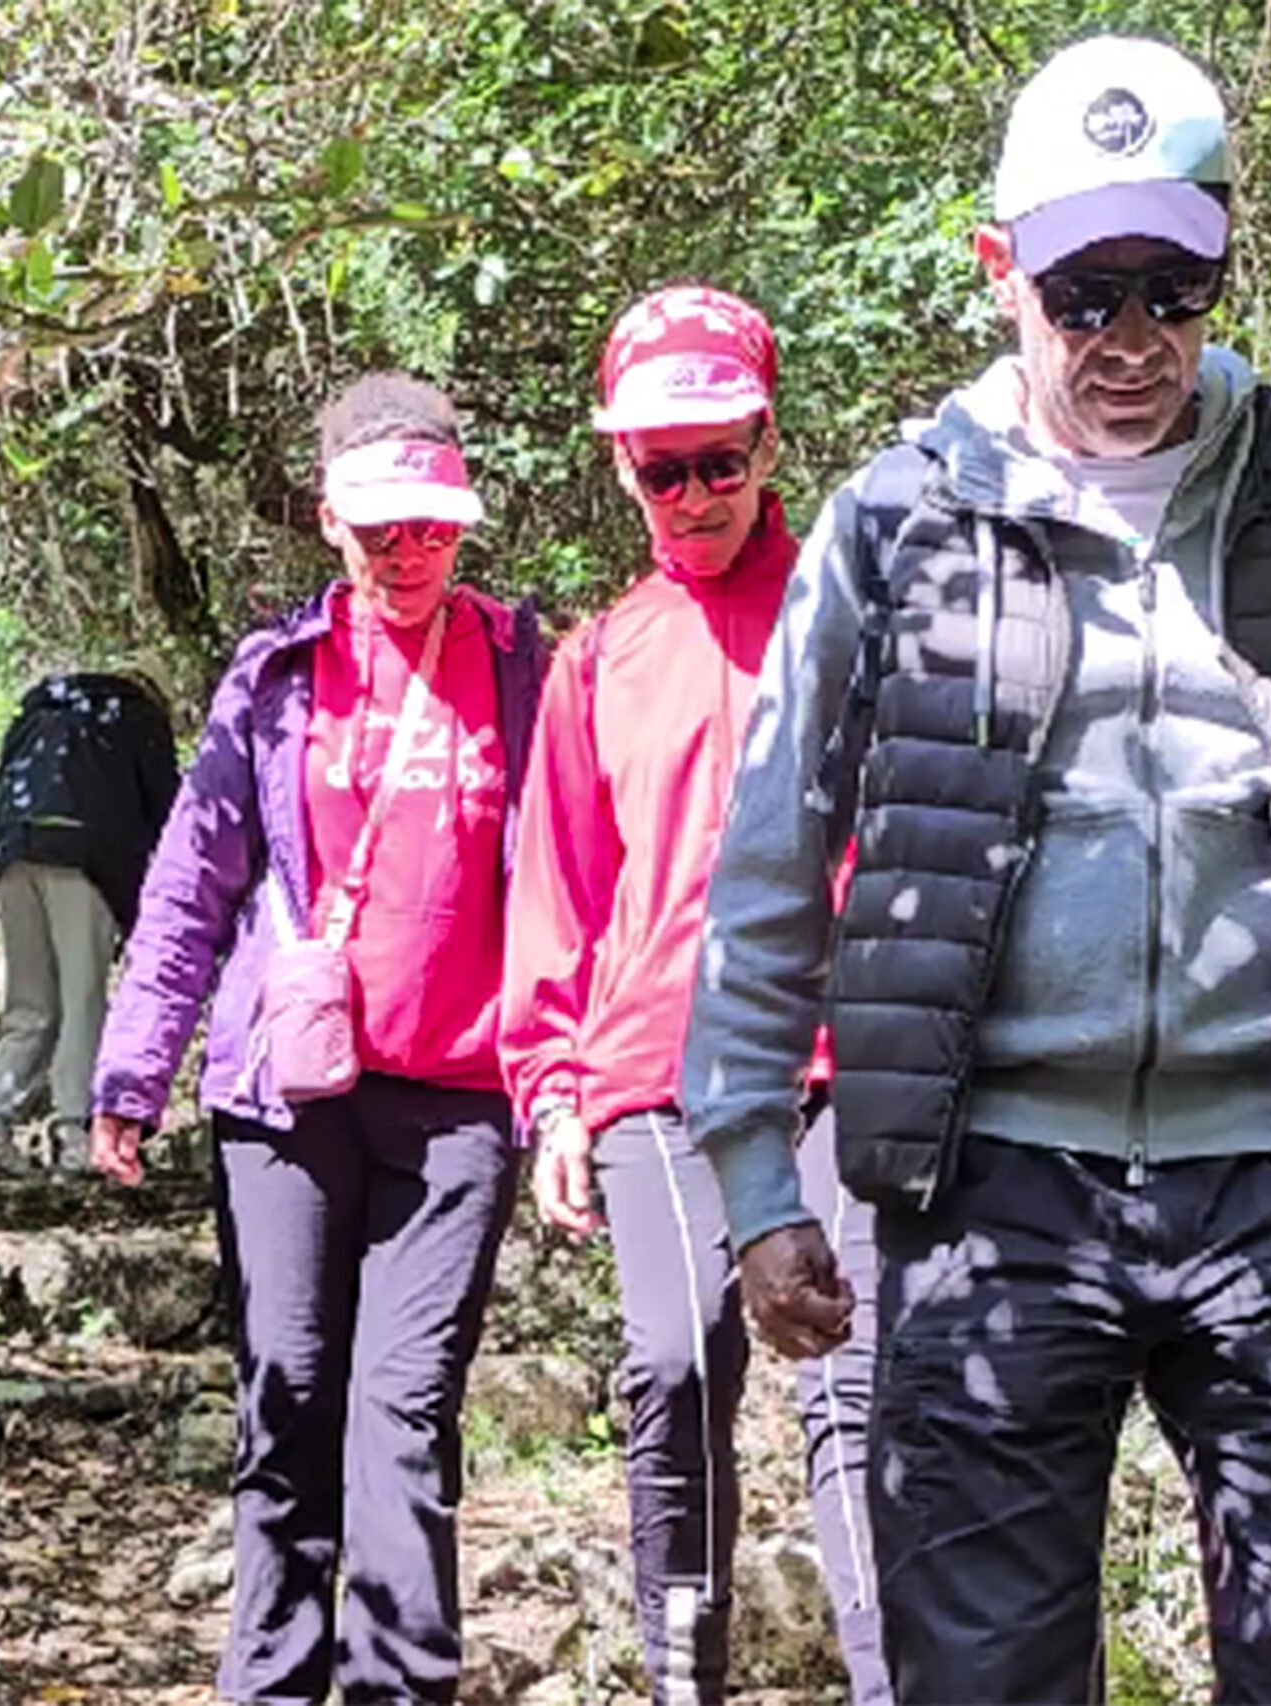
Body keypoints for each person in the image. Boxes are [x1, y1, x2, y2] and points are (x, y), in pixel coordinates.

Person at [682, 36, 1271, 1702]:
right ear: (1003, 275)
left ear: (1218, 258)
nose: (1132, 340)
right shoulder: (897, 524)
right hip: (996, 1187)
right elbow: (771, 865)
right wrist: (759, 1183)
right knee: (980, 1677)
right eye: (1084, 295)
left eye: (1173, 286)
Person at [88, 373, 549, 1702]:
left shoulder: (523, 664)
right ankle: (272, 1681)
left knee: (401, 1415)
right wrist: (134, 1068)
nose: (407, 554)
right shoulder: (277, 677)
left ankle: (401, 1684)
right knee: (286, 1391)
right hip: (286, 1097)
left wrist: (579, 1078)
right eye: (377, 530)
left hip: (459, 1100)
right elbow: (192, 879)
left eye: (431, 528)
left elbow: (576, 869)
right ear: (328, 522)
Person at [499, 286, 887, 1704]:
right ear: (622, 467)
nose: (695, 493)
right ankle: (683, 1680)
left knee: (850, 1381)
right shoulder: (600, 657)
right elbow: (560, 892)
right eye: (663, 467)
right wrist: (549, 1087)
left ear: (769, 441)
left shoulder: (851, 612)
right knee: (672, 1365)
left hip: (842, 1059)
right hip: (654, 1072)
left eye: (721, 460)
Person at [0, 668, 180, 1173]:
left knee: (30, 1002)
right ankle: (74, 1134)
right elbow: (170, 811)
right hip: (85, 855)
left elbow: (1, 780)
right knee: (82, 998)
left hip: (15, 847)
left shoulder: (41, 705)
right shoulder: (136, 716)